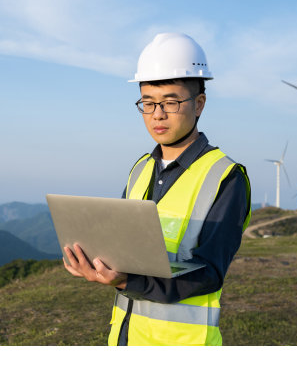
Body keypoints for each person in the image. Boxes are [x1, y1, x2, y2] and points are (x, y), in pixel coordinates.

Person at [62, 32, 252, 346]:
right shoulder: (140, 168)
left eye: (171, 102)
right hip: (125, 338)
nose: (157, 115)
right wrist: (96, 258)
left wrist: (127, 280)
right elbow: (121, 245)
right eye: (147, 104)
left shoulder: (225, 176)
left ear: (199, 104)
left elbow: (210, 272)